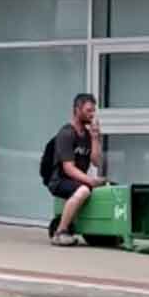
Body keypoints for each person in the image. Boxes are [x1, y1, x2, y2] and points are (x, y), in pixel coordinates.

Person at [47, 93, 106, 246]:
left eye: (94, 111)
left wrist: (95, 138)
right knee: (84, 190)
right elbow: (68, 169)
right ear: (77, 110)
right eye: (88, 111)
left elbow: (96, 162)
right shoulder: (66, 133)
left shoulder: (87, 135)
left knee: (107, 189)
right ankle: (61, 232)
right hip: (59, 180)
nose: (92, 115)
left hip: (77, 181)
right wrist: (91, 182)